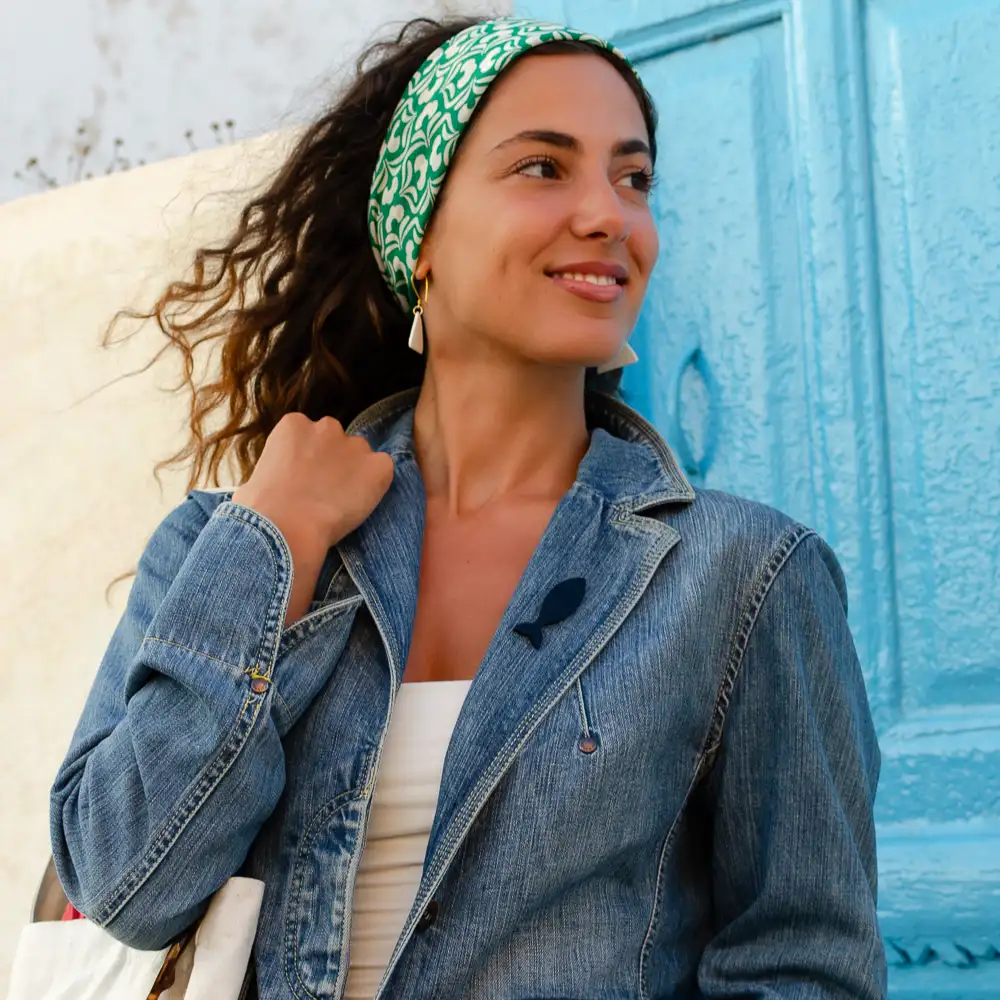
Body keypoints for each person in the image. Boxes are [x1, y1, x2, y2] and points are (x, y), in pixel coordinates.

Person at [48, 14, 887, 1000]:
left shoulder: (744, 575)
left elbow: (804, 966)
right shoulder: (224, 546)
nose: (609, 214)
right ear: (421, 232)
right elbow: (125, 885)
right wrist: (272, 544)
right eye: (542, 167)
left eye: (633, 177)